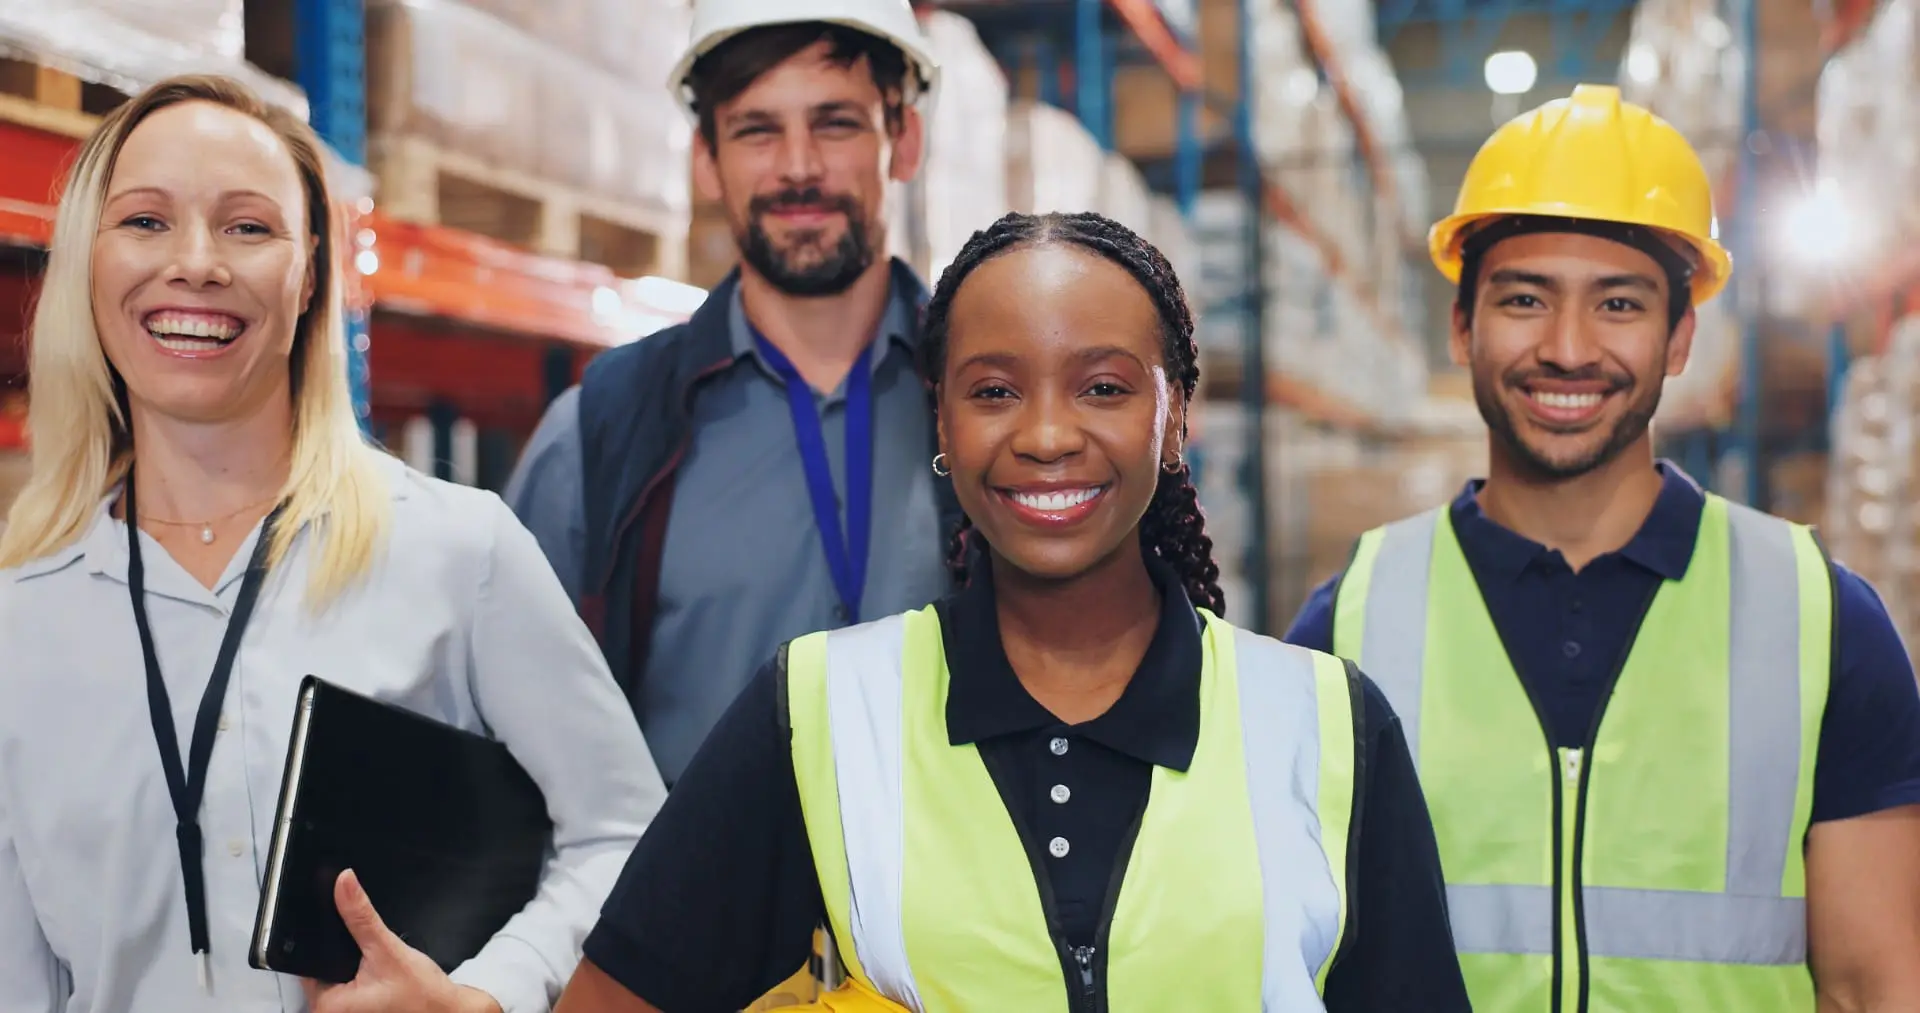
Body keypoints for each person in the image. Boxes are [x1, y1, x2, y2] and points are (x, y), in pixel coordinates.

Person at [545, 211, 1472, 1013]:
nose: (1046, 435)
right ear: (942, 422)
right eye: (994, 391)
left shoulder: (1328, 725)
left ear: (1175, 413)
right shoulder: (825, 710)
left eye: (1103, 387)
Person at [0, 75, 667, 1012]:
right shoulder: (21, 622)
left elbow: (626, 830)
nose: (196, 263)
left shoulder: (455, 552)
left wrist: (488, 995)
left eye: (247, 227)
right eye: (146, 222)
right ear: (86, 264)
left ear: (309, 271)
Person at [1285, 84, 1920, 1011]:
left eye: (1618, 303)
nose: (1568, 347)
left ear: (1679, 339)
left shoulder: (1825, 623)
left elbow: (1873, 987)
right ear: (1462, 328)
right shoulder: (1346, 625)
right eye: (1525, 298)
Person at [503, 0, 961, 787]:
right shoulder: (604, 430)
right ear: (706, 161)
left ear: (905, 140)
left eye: (836, 123)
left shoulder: (986, 402)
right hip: (690, 911)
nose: (798, 167)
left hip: (950, 908)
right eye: (756, 130)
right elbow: (512, 729)